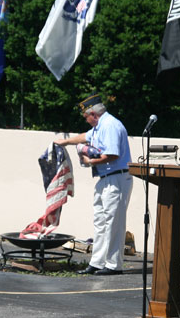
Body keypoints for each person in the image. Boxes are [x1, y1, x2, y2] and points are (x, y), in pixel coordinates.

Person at [54, 93, 133, 276]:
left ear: (93, 114)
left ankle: (114, 265)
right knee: (101, 221)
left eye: (86, 116)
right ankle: (97, 262)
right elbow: (85, 137)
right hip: (105, 178)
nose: (86, 120)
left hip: (116, 178)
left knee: (114, 223)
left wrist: (90, 162)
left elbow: (112, 155)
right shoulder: (100, 126)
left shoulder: (110, 125)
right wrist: (65, 142)